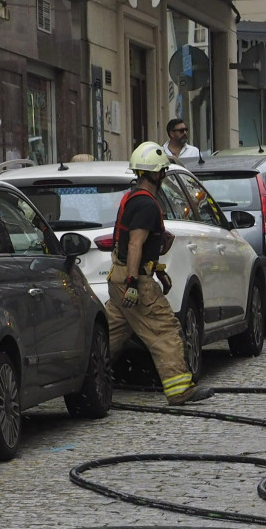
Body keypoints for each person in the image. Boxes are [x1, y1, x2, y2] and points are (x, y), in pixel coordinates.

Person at [106, 141, 213, 405]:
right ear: (156, 174)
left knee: (108, 335)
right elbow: (134, 244)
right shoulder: (147, 205)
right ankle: (179, 390)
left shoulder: (131, 198)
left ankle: (81, 379)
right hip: (133, 282)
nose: (164, 175)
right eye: (162, 171)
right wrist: (134, 282)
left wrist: (157, 270)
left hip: (117, 278)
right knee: (165, 330)